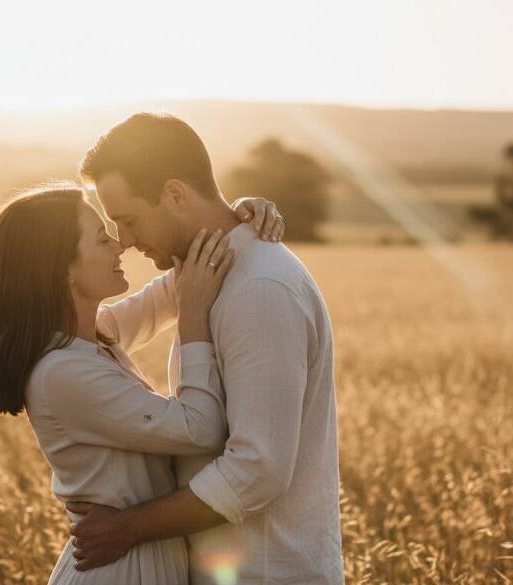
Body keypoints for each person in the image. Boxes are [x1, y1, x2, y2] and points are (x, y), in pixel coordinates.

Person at [68, 113, 345, 585]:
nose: (126, 242)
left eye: (129, 220)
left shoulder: (260, 288)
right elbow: (102, 330)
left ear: (175, 194)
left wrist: (126, 529)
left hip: (270, 574)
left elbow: (258, 469)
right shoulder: (204, 270)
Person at [0, 183, 284, 584]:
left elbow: (182, 283)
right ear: (63, 270)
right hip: (118, 571)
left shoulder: (91, 338)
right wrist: (193, 322)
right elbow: (201, 428)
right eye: (102, 238)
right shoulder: (62, 373)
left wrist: (230, 220)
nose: (120, 246)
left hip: (135, 562)